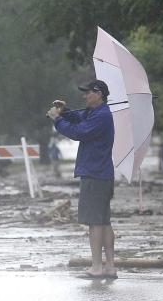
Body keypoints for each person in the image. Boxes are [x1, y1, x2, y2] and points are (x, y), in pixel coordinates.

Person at [47, 79, 116, 279]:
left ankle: (96, 267)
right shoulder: (95, 113)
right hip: (102, 174)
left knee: (95, 223)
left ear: (99, 94)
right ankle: (110, 266)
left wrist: (57, 120)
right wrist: (64, 111)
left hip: (94, 175)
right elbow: (79, 117)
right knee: (104, 222)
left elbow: (79, 132)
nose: (84, 96)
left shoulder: (101, 116)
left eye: (88, 93)